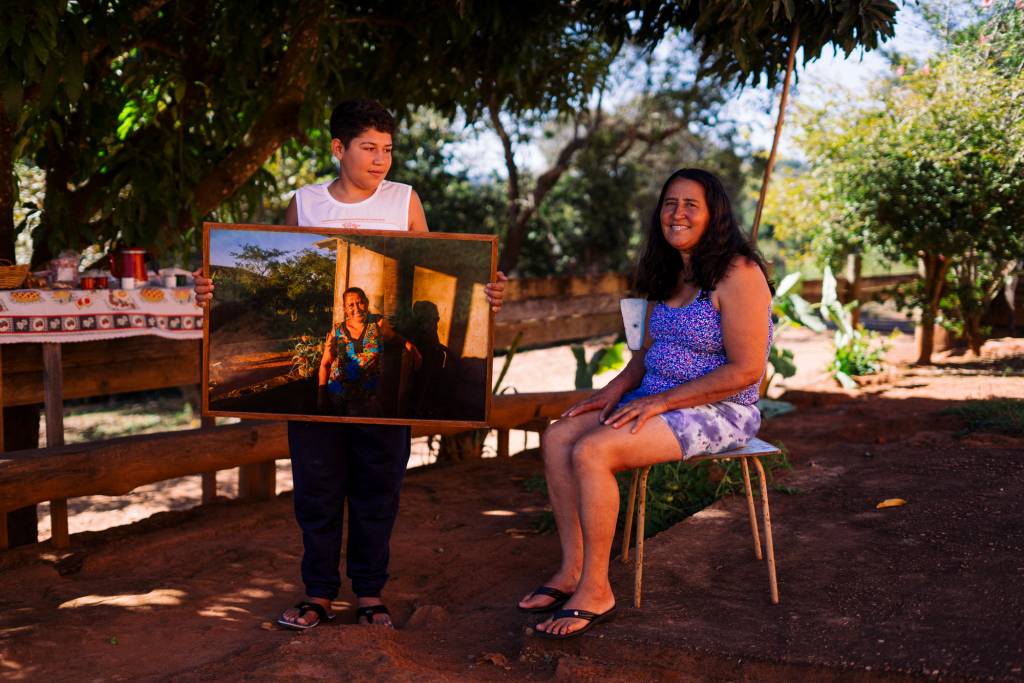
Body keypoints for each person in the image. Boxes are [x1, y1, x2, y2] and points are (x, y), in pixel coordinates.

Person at [194, 99, 506, 630]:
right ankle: (318, 593)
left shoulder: (405, 200)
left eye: (387, 149)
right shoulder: (305, 203)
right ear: (339, 148)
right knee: (316, 490)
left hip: (380, 405)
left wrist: (488, 290)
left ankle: (369, 594)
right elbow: (273, 276)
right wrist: (212, 290)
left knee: (377, 489)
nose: (381, 159)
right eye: (369, 148)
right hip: (326, 404)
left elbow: (441, 260)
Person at [518, 168, 773, 639]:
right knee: (559, 437)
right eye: (670, 203)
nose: (677, 213)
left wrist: (661, 402)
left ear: (714, 214)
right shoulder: (671, 271)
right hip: (655, 398)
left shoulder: (738, 273)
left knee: (593, 451)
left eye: (691, 205)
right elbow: (645, 357)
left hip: (720, 410)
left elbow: (746, 370)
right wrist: (611, 392)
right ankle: (572, 570)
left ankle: (597, 589)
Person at [317, 286, 422, 417]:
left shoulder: (378, 324)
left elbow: (399, 340)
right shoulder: (337, 330)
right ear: (345, 308)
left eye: (360, 302)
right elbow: (325, 364)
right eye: (351, 305)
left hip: (369, 398)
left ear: (366, 303)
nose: (357, 308)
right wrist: (321, 396)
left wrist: (414, 350)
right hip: (339, 396)